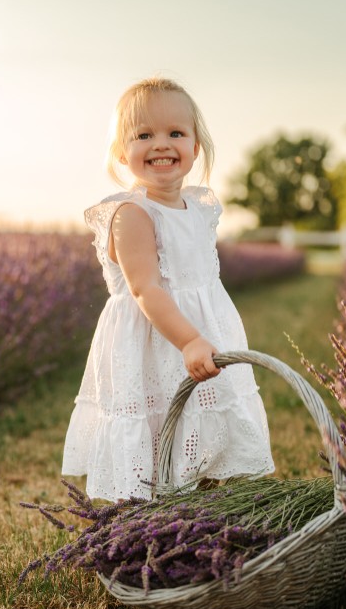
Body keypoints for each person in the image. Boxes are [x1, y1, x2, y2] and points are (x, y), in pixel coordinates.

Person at [62, 77, 274, 501]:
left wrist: (204, 335)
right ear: (123, 152)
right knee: (159, 426)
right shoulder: (132, 214)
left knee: (207, 423)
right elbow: (145, 290)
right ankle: (151, 514)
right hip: (154, 342)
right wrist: (190, 340)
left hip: (199, 333)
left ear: (196, 147)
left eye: (175, 133)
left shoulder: (198, 209)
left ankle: (205, 506)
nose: (161, 144)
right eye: (144, 135)